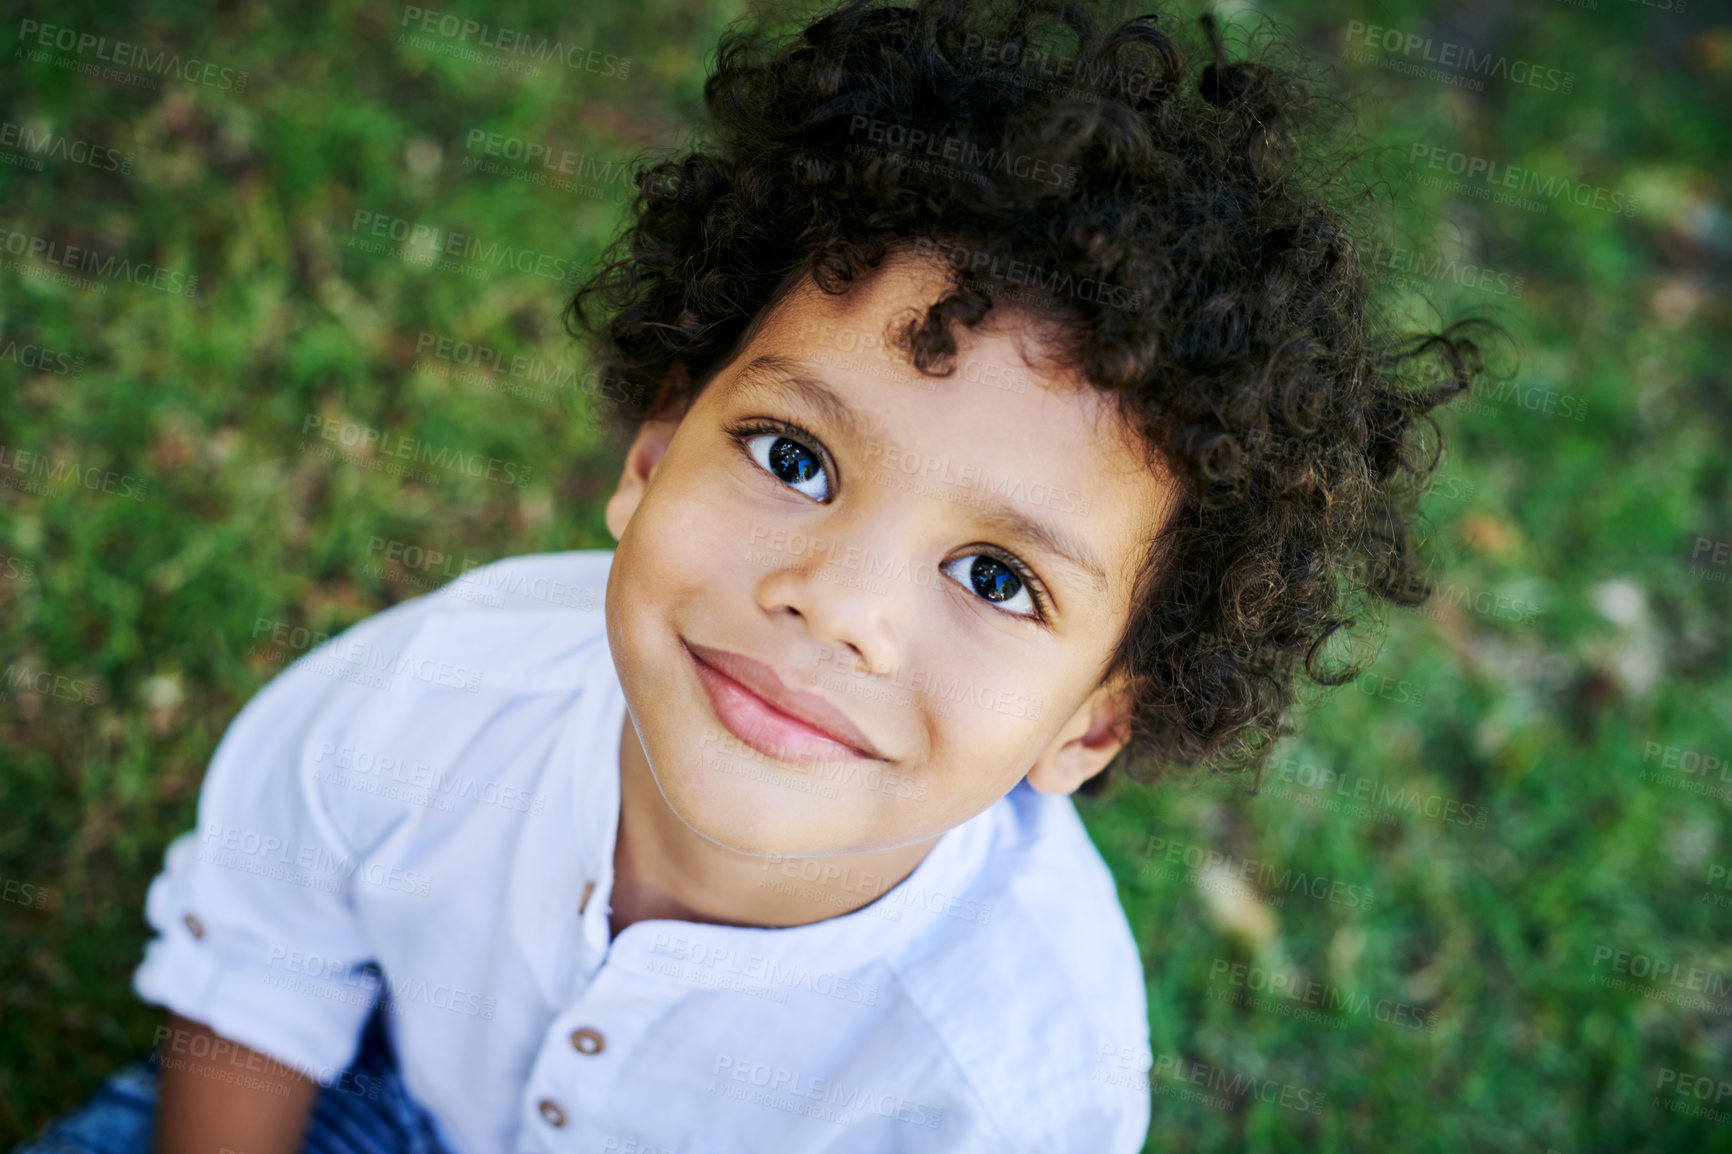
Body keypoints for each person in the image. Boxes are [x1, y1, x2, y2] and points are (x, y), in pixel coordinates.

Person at [18, 1, 1479, 1151]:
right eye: (793, 459)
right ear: (652, 454)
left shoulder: (1011, 1084)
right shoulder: (444, 691)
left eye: (994, 574)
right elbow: (261, 961)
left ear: (1088, 725)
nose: (835, 604)